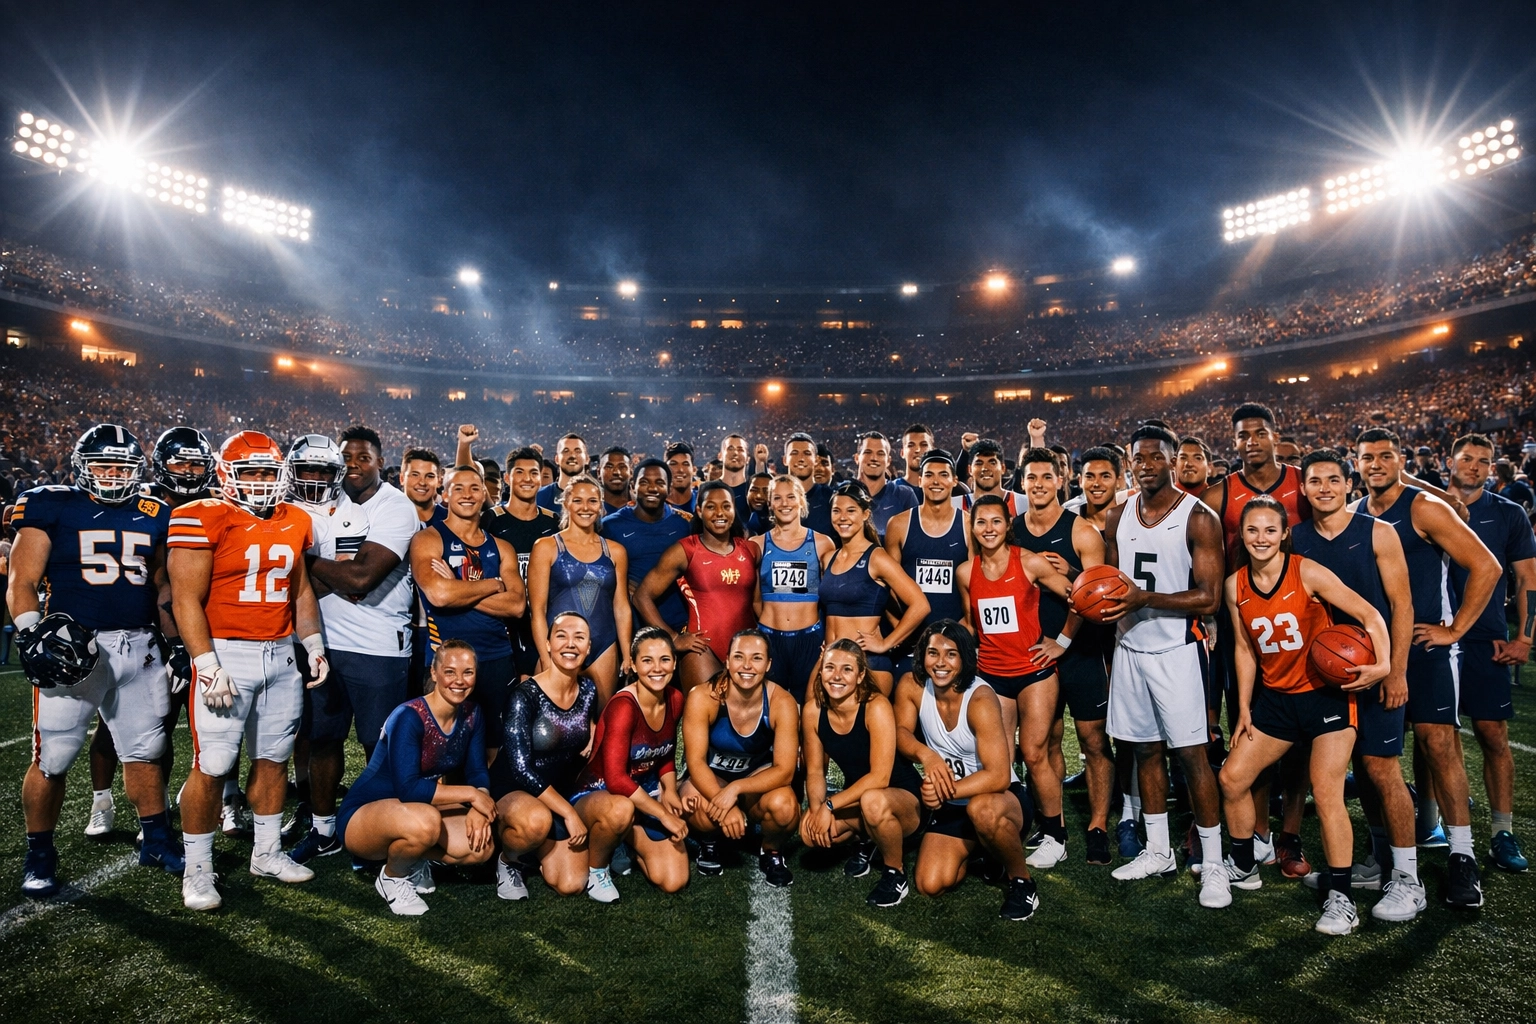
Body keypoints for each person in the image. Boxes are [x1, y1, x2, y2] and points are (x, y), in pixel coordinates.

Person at [8, 425, 185, 897]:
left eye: (122, 466)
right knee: (54, 756)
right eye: (104, 465)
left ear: (138, 471)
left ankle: (157, 838)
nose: (112, 474)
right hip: (74, 646)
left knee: (145, 750)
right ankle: (39, 853)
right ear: (82, 467)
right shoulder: (51, 503)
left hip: (140, 645)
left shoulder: (154, 512)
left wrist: (177, 643)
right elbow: (21, 580)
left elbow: (164, 586)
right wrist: (30, 633)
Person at [168, 430, 330, 910]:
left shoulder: (296, 519)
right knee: (214, 763)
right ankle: (197, 868)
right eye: (250, 472)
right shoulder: (201, 516)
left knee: (274, 758)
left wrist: (314, 644)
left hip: (280, 653)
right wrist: (205, 663)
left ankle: (267, 851)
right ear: (226, 475)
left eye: (267, 472)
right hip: (226, 652)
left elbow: (299, 591)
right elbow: (185, 599)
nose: (260, 482)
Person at [1216, 497, 1392, 932]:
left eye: (1270, 530)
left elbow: (1369, 614)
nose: (1261, 538)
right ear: (1243, 536)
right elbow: (1243, 649)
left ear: (1283, 534)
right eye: (1253, 530)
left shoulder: (1306, 571)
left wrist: (1384, 664)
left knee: (1326, 790)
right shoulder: (1233, 584)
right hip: (1275, 699)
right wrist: (1242, 708)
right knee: (1232, 778)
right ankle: (1243, 865)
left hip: (1325, 697)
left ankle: (1342, 899)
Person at [1354, 427, 1501, 907]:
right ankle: (1381, 854)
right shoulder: (1355, 514)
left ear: (1402, 461)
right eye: (1367, 457)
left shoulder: (1423, 507)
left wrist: (1455, 630)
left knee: (1439, 744)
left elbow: (1487, 566)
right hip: (1377, 652)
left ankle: (1463, 857)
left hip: (1426, 647)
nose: (1375, 463)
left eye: (1385, 455)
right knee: (1375, 757)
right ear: (1355, 463)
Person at [1292, 450, 1424, 922]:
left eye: (1332, 479)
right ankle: (1375, 861)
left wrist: (1396, 670)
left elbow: (1401, 606)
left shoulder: (1378, 532)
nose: (1324, 488)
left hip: (1375, 670)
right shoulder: (1295, 539)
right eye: (1314, 481)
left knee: (1381, 768)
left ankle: (1409, 879)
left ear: (1348, 484)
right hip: (1324, 677)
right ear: (1302, 489)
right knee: (1347, 775)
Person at [1102, 425, 1226, 905]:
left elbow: (1211, 599)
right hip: (1131, 647)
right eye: (1139, 457)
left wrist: (1146, 597)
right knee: (1145, 750)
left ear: (1174, 461)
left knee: (1192, 756)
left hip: (1178, 649)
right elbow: (1111, 586)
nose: (1146, 464)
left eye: (1156, 457)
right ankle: (1158, 849)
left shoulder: (1200, 518)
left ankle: (1212, 861)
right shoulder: (1117, 516)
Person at [293, 426, 420, 867]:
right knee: (321, 738)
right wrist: (335, 574)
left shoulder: (396, 506)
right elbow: (329, 582)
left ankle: (380, 831)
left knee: (376, 744)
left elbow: (362, 580)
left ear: (380, 462)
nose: (353, 464)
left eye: (363, 457)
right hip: (322, 643)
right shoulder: (322, 501)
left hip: (379, 646)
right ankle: (323, 828)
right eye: (346, 456)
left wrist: (306, 563)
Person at [1198, 404, 1313, 877]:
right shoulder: (1219, 493)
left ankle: (1290, 835)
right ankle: (1259, 833)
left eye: (1259, 433)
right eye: (1242, 435)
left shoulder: (1305, 483)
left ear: (1275, 435)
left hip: (1299, 622)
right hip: (1242, 625)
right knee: (1250, 729)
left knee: (1300, 743)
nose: (1250, 441)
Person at [87, 425, 217, 840]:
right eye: (181, 461)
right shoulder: (139, 504)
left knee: (199, 721)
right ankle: (101, 801)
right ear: (162, 464)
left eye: (197, 462)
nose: (190, 470)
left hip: (199, 627)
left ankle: (190, 804)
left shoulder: (218, 506)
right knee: (119, 726)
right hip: (143, 630)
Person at [956, 494, 1075, 867]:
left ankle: (1057, 835)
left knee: (1035, 752)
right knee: (1001, 764)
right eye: (981, 522)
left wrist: (1062, 642)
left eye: (996, 521)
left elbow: (1080, 598)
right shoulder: (965, 572)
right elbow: (973, 625)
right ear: (972, 528)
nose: (988, 529)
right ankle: (1010, 830)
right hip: (992, 677)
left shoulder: (1029, 562)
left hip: (1034, 674)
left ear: (1009, 525)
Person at [893, 620, 1040, 920]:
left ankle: (1022, 882)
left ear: (965, 659)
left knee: (982, 812)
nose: (941, 663)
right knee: (929, 884)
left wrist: (945, 790)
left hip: (1000, 800)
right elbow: (900, 732)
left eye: (951, 654)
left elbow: (999, 775)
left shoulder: (981, 699)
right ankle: (988, 852)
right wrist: (927, 755)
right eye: (933, 653)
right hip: (954, 805)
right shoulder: (913, 685)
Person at [1010, 448, 1115, 866]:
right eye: (1031, 477)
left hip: (1080, 652)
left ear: (1061, 481)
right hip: (1034, 654)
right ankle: (1054, 828)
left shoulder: (1082, 532)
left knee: (1092, 741)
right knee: (1044, 741)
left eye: (1046, 477)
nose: (1038, 484)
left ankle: (1099, 825)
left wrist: (1065, 640)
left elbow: (1099, 594)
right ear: (1022, 483)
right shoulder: (1012, 529)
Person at [338, 639, 495, 915]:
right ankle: (392, 877)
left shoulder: (472, 714)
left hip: (417, 809)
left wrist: (480, 808)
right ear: (434, 674)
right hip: (364, 815)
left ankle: (414, 858)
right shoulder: (409, 716)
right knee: (427, 822)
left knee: (481, 846)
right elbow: (408, 788)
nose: (459, 681)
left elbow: (476, 771)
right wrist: (473, 796)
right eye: (450, 672)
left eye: (468, 672)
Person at [1444, 434, 1535, 873]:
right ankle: (1439, 821)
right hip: (1435, 637)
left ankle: (1502, 832)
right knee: (1436, 736)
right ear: (1451, 461)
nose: (1475, 467)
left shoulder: (1507, 514)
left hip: (1486, 639)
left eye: (1484, 461)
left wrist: (1526, 638)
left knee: (1493, 735)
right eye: (1467, 458)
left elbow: (1528, 581)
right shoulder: (1427, 506)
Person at [282, 434, 370, 852]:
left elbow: (353, 577)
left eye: (323, 471)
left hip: (335, 633)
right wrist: (325, 578)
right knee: (294, 727)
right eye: (307, 470)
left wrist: (309, 579)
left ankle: (326, 810)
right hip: (280, 629)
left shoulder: (354, 511)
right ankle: (305, 803)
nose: (315, 478)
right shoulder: (278, 510)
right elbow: (298, 580)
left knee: (319, 728)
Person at [490, 611, 612, 901]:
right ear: (546, 644)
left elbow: (583, 728)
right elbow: (520, 768)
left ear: (589, 648)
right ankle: (509, 860)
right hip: (516, 790)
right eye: (561, 636)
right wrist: (569, 814)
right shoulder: (524, 696)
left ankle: (536, 849)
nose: (570, 644)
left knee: (571, 884)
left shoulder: (589, 690)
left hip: (559, 793)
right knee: (535, 821)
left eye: (579, 637)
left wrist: (593, 730)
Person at [409, 465, 527, 758]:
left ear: (485, 494)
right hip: (446, 659)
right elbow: (439, 595)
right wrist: (493, 585)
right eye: (458, 488)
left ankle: (487, 802)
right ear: (445, 495)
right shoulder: (428, 539)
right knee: (442, 746)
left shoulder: (501, 547)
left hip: (497, 658)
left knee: (494, 746)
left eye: (474, 488)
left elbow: (516, 605)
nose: (467, 494)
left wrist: (457, 585)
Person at [801, 638, 925, 906]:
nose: (836, 676)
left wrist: (830, 805)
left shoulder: (876, 706)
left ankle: (895, 873)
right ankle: (868, 840)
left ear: (860, 676)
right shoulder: (812, 710)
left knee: (873, 801)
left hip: (903, 801)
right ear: (820, 671)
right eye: (829, 667)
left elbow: (880, 778)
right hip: (860, 800)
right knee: (808, 833)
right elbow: (813, 772)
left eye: (846, 669)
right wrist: (815, 809)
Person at [568, 627, 692, 893]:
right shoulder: (624, 707)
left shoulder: (675, 698)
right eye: (647, 660)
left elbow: (665, 752)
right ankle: (597, 870)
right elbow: (615, 779)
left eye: (665, 659)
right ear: (634, 665)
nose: (657, 668)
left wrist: (669, 789)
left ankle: (625, 838)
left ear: (674, 662)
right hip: (599, 792)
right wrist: (662, 814)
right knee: (620, 810)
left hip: (641, 791)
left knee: (674, 881)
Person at [680, 629, 801, 886]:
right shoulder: (703, 697)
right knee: (693, 803)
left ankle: (771, 851)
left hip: (754, 782)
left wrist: (736, 789)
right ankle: (709, 842)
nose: (747, 666)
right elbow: (696, 762)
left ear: (768, 664)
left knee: (786, 807)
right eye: (739, 657)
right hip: (712, 778)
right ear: (727, 661)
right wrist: (723, 805)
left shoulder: (782, 702)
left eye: (757, 658)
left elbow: (785, 770)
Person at [634, 480, 759, 692]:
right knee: (701, 718)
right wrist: (673, 638)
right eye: (711, 506)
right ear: (699, 511)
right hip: (703, 650)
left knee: (743, 719)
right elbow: (641, 597)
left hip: (746, 649)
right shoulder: (685, 551)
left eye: (726, 506)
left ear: (733, 510)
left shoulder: (751, 550)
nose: (719, 513)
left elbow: (757, 604)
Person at [528, 476, 632, 705]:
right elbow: (537, 610)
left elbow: (621, 605)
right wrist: (546, 658)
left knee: (600, 722)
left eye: (592, 501)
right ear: (566, 503)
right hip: (558, 645)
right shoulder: (546, 547)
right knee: (552, 722)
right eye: (578, 500)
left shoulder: (615, 551)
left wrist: (626, 653)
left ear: (601, 505)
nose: (585, 507)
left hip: (603, 646)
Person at [822, 481, 930, 695]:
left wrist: (885, 644)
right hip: (832, 662)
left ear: (864, 514)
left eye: (851, 510)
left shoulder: (877, 557)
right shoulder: (828, 558)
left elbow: (920, 605)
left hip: (868, 663)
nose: (843, 517)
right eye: (837, 511)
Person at [885, 451, 971, 691]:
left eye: (944, 475)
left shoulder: (968, 524)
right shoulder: (899, 524)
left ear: (954, 480)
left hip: (955, 640)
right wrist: (901, 631)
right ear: (919, 480)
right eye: (929, 475)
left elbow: (975, 588)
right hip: (909, 642)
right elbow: (888, 587)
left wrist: (956, 636)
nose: (936, 481)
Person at [482, 446, 561, 676]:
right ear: (507, 478)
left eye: (534, 473)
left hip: (544, 622)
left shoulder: (553, 522)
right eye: (519, 472)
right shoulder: (491, 520)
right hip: (501, 624)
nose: (527, 479)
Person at [757, 474, 836, 702]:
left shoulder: (822, 543)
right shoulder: (758, 545)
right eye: (778, 498)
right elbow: (753, 599)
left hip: (810, 639)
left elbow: (830, 598)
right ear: (770, 503)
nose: (785, 503)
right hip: (770, 638)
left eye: (791, 497)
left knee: (812, 705)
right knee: (771, 707)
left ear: (801, 501)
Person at [601, 458, 692, 639]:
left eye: (659, 483)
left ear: (669, 487)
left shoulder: (684, 524)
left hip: (679, 623)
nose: (652, 489)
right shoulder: (611, 526)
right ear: (633, 486)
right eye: (644, 482)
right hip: (632, 627)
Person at [853, 432, 918, 537]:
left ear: (888, 460)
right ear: (857, 458)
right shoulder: (842, 494)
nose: (874, 458)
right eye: (868, 452)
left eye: (880, 453)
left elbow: (915, 541)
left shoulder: (904, 496)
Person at [955, 438, 1024, 515]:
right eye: (979, 463)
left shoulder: (1023, 504)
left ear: (1003, 468)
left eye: (992, 463)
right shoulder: (954, 506)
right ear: (970, 470)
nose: (985, 468)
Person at [1064, 446, 1124, 531]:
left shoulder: (1132, 520)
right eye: (1090, 477)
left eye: (1105, 476)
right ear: (1080, 481)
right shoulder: (1067, 520)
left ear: (1118, 481)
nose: (1097, 483)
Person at [535, 433, 589, 513]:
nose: (572, 456)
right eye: (566, 451)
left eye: (577, 451)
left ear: (587, 459)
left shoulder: (599, 498)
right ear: (556, 459)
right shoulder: (538, 497)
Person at [598, 446, 633, 517]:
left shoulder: (644, 509)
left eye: (622, 467)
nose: (616, 472)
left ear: (631, 472)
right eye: (609, 467)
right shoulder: (591, 510)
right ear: (599, 473)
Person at [664, 441, 699, 513]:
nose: (680, 469)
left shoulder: (705, 501)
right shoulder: (655, 506)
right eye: (673, 464)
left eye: (685, 464)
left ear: (694, 470)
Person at [719, 433, 751, 510]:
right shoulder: (707, 489)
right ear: (720, 456)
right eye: (730, 448)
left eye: (740, 449)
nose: (735, 453)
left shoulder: (753, 489)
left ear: (747, 459)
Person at [900, 424, 935, 489]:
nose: (917, 450)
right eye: (911, 445)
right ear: (902, 453)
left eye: (924, 445)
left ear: (932, 451)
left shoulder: (946, 489)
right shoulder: (891, 491)